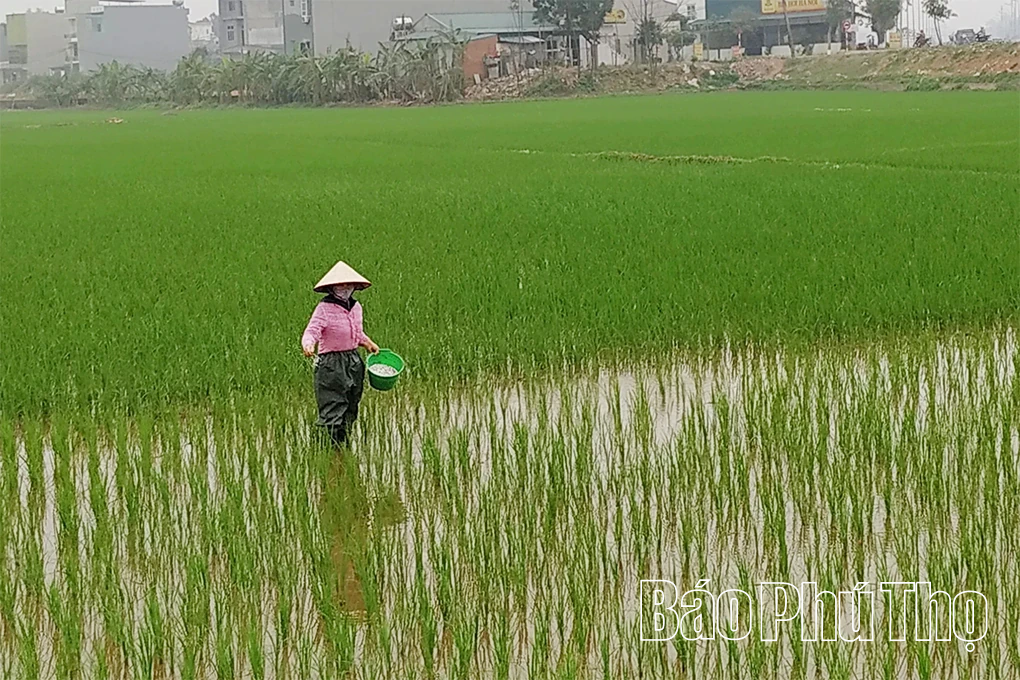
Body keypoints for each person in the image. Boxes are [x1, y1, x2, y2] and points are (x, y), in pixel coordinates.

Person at [301, 261, 380, 448]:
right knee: (333, 406)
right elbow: (312, 330)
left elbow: (356, 332)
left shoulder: (356, 307)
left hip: (353, 361)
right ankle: (327, 448)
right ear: (332, 287)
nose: (345, 288)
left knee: (351, 404)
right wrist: (308, 345)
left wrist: (368, 344)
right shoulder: (324, 308)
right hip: (331, 364)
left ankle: (341, 446)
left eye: (348, 284)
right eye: (340, 285)